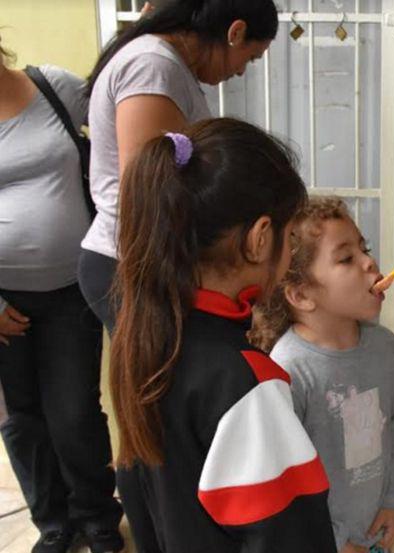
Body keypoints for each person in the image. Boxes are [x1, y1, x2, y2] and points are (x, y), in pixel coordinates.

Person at [109, 118, 336, 553]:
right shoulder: (246, 383)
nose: (289, 255)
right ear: (259, 239)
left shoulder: (143, 343)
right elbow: (291, 537)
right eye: (289, 237)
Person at [79, 0, 277, 331]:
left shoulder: (165, 64)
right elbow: (150, 192)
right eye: (252, 57)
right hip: (133, 265)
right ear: (235, 32)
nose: (242, 71)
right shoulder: (153, 66)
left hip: (144, 262)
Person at [0, 35, 124, 553]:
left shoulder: (53, 87)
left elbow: (122, 131)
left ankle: (97, 516)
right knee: (23, 420)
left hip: (73, 285)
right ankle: (53, 523)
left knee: (73, 411)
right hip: (4, 299)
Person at [250, 196, 394, 553]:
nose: (370, 262)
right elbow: (284, 482)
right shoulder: (289, 369)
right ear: (302, 294)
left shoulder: (384, 346)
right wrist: (334, 541)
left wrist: (392, 501)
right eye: (346, 258)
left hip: (372, 529)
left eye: (363, 249)